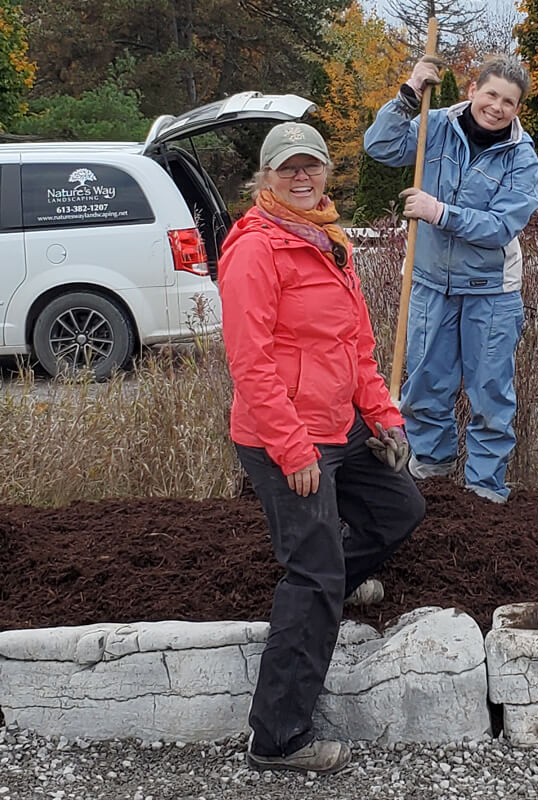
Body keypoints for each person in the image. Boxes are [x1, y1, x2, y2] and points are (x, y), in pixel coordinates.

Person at [218, 121, 426, 773]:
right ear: (267, 177)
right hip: (285, 432)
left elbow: (356, 349)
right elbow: (250, 363)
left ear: (326, 173)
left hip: (340, 420)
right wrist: (294, 448)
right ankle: (276, 737)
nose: (301, 178)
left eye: (311, 166)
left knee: (400, 507)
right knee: (312, 571)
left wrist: (386, 424)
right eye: (288, 169)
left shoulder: (330, 241)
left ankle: (335, 582)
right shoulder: (255, 249)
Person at [363, 53, 538, 504]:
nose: (498, 107)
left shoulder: (521, 157)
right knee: (425, 389)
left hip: (491, 293)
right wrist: (407, 95)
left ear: (518, 109)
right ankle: (433, 486)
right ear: (472, 92)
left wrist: (439, 212)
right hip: (429, 284)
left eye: (509, 101)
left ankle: (484, 494)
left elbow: (501, 227)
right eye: (491, 95)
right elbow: (379, 147)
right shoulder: (436, 123)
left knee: (488, 397)